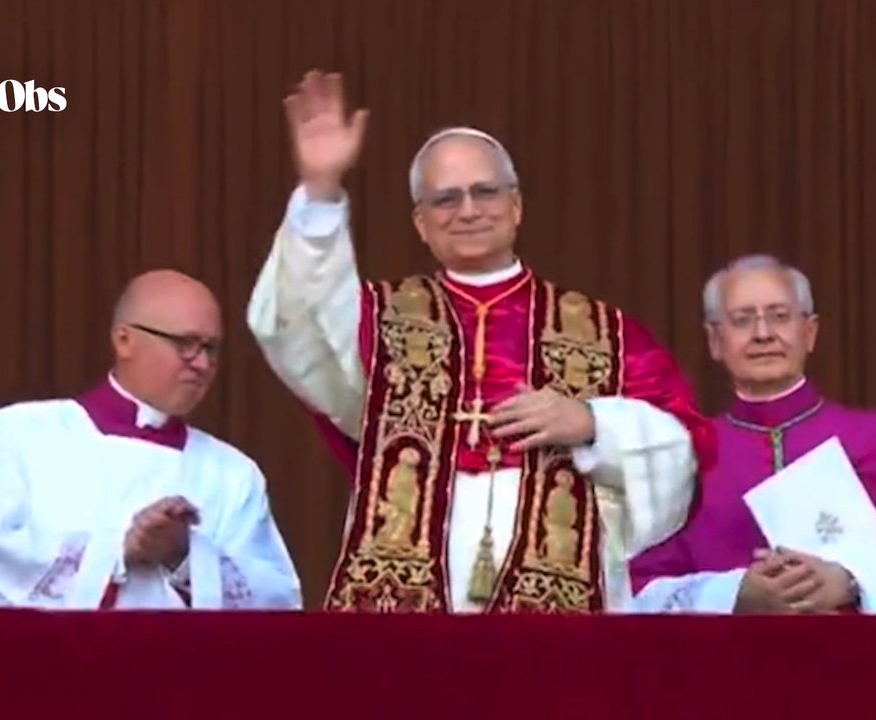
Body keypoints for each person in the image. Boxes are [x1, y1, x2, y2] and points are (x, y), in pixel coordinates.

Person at [246, 70, 716, 613]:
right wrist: (321, 191)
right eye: (445, 199)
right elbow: (298, 330)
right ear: (421, 223)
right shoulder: (379, 319)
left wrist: (591, 423)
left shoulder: (603, 332)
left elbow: (684, 451)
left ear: (515, 206)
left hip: (560, 606)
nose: (468, 210)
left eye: (484, 192)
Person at [628, 254, 876, 614]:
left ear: (809, 332)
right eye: (742, 320)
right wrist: (733, 593)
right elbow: (634, 594)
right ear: (715, 341)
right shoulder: (682, 458)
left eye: (780, 316)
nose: (763, 334)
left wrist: (849, 582)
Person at [0, 269, 302, 611]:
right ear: (124, 340)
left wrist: (184, 555)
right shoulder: (18, 435)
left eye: (210, 348)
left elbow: (277, 602)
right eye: (186, 344)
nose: (202, 364)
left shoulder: (234, 474)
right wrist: (119, 550)